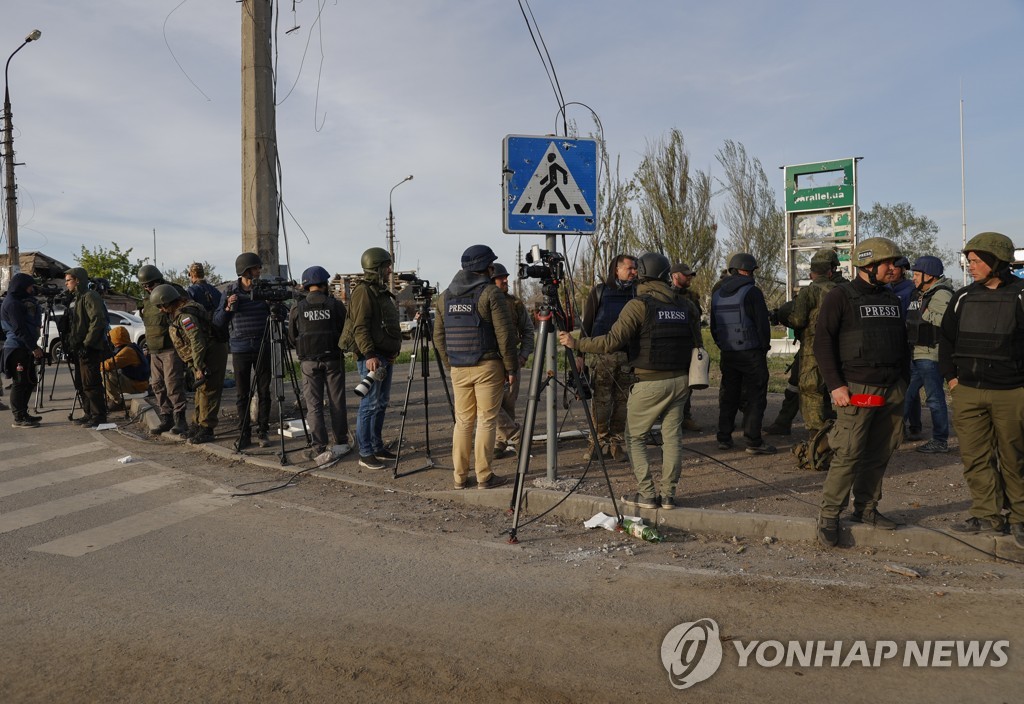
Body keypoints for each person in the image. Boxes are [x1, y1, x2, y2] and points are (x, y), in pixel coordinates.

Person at [559, 252, 699, 510]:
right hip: (681, 381)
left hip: (649, 382)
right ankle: (668, 496)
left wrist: (577, 343)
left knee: (634, 438)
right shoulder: (683, 305)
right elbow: (697, 344)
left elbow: (612, 341)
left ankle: (646, 494)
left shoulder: (638, 304)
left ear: (643, 273)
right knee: (672, 439)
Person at [813, 237, 909, 548]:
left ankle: (866, 508)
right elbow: (822, 342)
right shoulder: (840, 297)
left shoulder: (892, 299)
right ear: (868, 266)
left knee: (880, 452)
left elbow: (900, 343)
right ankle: (829, 516)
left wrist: (903, 385)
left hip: (891, 388)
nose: (893, 268)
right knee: (849, 454)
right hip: (856, 389)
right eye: (888, 263)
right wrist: (836, 385)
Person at [939, 232, 1024, 547]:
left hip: (1012, 393)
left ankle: (1019, 518)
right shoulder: (962, 296)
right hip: (969, 392)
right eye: (969, 260)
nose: (970, 266)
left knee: (1015, 457)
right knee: (975, 458)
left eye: (976, 261)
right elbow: (945, 340)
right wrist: (952, 379)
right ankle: (987, 514)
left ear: (996, 262)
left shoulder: (1020, 294)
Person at [434, 245, 518, 489]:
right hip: (487, 366)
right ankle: (484, 476)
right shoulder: (491, 293)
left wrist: (451, 363)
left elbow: (439, 336)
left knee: (462, 422)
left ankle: (459, 478)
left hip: (459, 367)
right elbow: (505, 335)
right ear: (486, 268)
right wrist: (511, 369)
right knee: (486, 420)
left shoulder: (445, 296)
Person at [340, 247, 403, 470]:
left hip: (384, 356)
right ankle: (365, 453)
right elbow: (360, 326)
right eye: (386, 266)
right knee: (369, 404)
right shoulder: (363, 292)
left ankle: (376, 446)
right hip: (373, 358)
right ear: (376, 267)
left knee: (381, 403)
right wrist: (369, 355)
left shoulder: (378, 291)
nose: (389, 270)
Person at [709, 252, 775, 454]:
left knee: (729, 395)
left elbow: (714, 327)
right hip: (751, 353)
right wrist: (763, 348)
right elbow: (762, 325)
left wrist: (724, 346)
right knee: (756, 397)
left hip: (729, 353)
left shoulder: (717, 293)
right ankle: (753, 441)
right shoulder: (752, 292)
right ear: (746, 270)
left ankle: (724, 438)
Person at [576, 254, 638, 460]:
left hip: (628, 359)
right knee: (601, 404)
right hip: (602, 357)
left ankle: (616, 445)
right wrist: (580, 356)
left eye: (635, 268)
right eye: (630, 268)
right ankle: (596, 443)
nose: (634, 272)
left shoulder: (637, 292)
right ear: (616, 270)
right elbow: (587, 325)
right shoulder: (600, 291)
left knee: (622, 404)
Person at [779, 248, 845, 436]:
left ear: (812, 272)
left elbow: (798, 321)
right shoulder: (843, 290)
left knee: (811, 390)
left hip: (812, 349)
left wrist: (786, 318)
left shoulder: (809, 291)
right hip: (839, 348)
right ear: (832, 270)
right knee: (838, 388)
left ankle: (817, 439)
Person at [152, 283, 229, 444]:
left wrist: (199, 365)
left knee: (209, 391)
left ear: (167, 302)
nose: (160, 310)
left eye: (161, 306)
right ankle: (198, 424)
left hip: (211, 353)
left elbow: (197, 340)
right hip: (203, 354)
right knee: (201, 390)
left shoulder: (185, 316)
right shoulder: (179, 313)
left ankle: (207, 428)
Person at [288, 265, 350, 460]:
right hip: (333, 359)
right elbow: (345, 330)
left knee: (313, 406)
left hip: (309, 363)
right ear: (324, 284)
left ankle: (319, 447)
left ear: (306, 286)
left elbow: (292, 336)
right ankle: (341, 442)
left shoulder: (297, 308)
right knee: (337, 402)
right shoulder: (336, 305)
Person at [214, 253, 272, 449]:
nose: (258, 271)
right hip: (240, 349)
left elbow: (278, 313)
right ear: (246, 270)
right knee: (242, 394)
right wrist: (229, 308)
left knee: (264, 392)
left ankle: (263, 431)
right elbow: (218, 321)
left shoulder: (263, 288)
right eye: (255, 268)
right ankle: (244, 433)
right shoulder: (230, 290)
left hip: (263, 346)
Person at [904, 255, 953, 453]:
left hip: (931, 354)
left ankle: (940, 441)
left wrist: (922, 312)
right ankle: (891, 433)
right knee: (906, 394)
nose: (914, 278)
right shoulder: (921, 292)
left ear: (929, 275)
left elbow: (943, 322)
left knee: (934, 398)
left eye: (917, 274)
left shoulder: (942, 294)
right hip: (917, 352)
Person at [137, 264, 189, 435]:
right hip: (154, 349)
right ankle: (166, 417)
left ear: (159, 280)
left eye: (150, 285)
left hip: (170, 347)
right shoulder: (147, 299)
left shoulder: (172, 291)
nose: (148, 288)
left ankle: (180, 419)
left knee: (173, 384)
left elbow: (183, 315)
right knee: (157, 385)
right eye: (145, 286)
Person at [491, 262, 535, 458]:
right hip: (491, 361)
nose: (506, 280)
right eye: (501, 278)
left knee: (508, 403)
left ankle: (501, 441)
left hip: (512, 360)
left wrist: (524, 354)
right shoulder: (483, 302)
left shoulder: (515, 303)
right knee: (491, 404)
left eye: (506, 277)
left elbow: (527, 330)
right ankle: (517, 437)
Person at [64, 267, 111, 428]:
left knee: (91, 382)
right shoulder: (76, 298)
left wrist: (88, 343)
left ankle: (99, 415)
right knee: (81, 383)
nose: (66, 284)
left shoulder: (90, 296)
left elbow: (97, 321)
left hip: (89, 347)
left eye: (69, 280)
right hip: (78, 347)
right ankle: (88, 413)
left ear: (77, 280)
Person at [1, 272, 44, 428]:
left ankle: (23, 413)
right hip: (16, 348)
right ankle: (19, 417)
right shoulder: (12, 303)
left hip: (22, 347)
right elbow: (19, 329)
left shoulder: (17, 301)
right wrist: (33, 347)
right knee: (20, 382)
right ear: (22, 287)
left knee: (30, 381)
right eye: (30, 287)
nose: (32, 290)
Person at [671, 261, 702, 432]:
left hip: (690, 345)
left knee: (689, 384)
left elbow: (696, 322)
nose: (689, 277)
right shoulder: (666, 295)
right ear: (675, 276)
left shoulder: (692, 297)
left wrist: (699, 346)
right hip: (673, 345)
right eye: (686, 275)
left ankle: (685, 417)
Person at [100, 325, 149, 410]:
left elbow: (109, 365)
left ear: (116, 339)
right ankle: (112, 399)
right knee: (113, 372)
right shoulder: (131, 346)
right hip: (139, 382)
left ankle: (117, 402)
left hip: (137, 385)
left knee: (106, 374)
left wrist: (96, 364)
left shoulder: (127, 351)